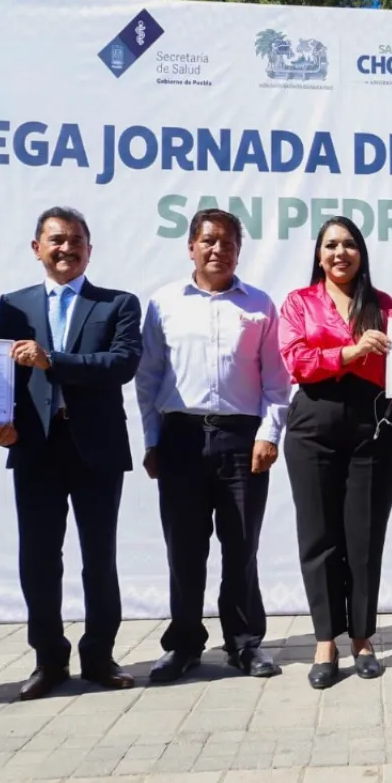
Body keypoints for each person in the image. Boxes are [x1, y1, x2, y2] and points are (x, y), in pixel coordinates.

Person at [0, 207, 143, 700]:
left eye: (76, 240)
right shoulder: (13, 306)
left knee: (99, 557)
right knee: (38, 558)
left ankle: (99, 656)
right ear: (37, 248)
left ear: (89, 250)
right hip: (35, 447)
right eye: (56, 239)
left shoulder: (117, 304)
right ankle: (48, 659)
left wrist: (51, 360)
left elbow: (120, 364)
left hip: (96, 447)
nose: (66, 248)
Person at [135, 208, 290, 683]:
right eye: (208, 241)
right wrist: (152, 440)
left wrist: (268, 435)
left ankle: (244, 644)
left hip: (241, 439)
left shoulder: (259, 305)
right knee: (184, 548)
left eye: (227, 242)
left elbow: (276, 382)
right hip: (179, 438)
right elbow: (148, 378)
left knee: (241, 546)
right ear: (191, 247)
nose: (218, 249)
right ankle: (183, 644)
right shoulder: (164, 303)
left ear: (239, 251)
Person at [279, 216, 392, 690]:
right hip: (313, 423)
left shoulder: (384, 305)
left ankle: (363, 637)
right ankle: (325, 640)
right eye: (331, 245)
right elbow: (296, 361)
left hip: (374, 424)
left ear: (361, 253)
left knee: (364, 537)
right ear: (319, 254)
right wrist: (351, 352)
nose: (340, 253)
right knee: (319, 536)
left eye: (349, 244)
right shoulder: (299, 302)